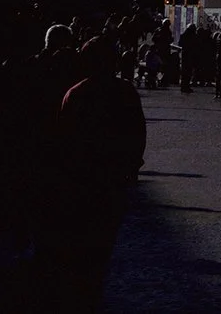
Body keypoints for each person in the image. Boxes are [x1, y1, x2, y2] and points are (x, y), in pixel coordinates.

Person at [32, 38, 147, 312]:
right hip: (112, 179)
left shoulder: (76, 94)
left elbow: (62, 137)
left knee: (80, 235)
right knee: (103, 238)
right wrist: (131, 167)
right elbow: (136, 134)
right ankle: (93, 285)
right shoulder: (125, 93)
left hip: (81, 179)